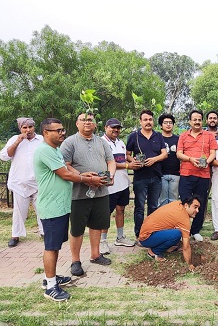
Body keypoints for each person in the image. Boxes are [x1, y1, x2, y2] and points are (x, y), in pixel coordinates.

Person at [34, 118, 106, 301]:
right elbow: (65, 173)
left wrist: (82, 174)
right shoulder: (45, 150)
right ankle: (50, 286)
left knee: (56, 245)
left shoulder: (55, 150)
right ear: (45, 132)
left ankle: (50, 277)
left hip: (60, 206)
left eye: (62, 130)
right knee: (51, 247)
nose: (61, 133)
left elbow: (68, 170)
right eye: (57, 130)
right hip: (51, 207)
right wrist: (88, 179)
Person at [60, 112, 116, 277]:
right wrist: (84, 178)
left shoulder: (101, 142)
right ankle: (75, 261)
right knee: (77, 228)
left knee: (97, 225)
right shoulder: (70, 142)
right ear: (77, 123)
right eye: (83, 119)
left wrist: (110, 175)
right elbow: (65, 165)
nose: (87, 122)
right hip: (79, 193)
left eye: (90, 120)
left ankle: (95, 254)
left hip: (101, 191)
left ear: (95, 124)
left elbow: (110, 161)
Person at [0, 117, 44, 247]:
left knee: (42, 209)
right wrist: (18, 142)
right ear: (20, 129)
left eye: (30, 127)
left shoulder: (41, 140)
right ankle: (15, 235)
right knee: (19, 211)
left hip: (38, 182)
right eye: (25, 128)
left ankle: (44, 232)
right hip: (20, 182)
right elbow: (4, 157)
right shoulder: (14, 139)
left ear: (34, 127)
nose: (28, 130)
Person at [177, 110, 218, 242]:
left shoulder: (209, 136)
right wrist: (190, 159)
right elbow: (179, 154)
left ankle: (195, 230)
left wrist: (207, 161)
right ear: (190, 121)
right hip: (186, 174)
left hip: (203, 175)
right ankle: (184, 230)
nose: (197, 122)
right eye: (194, 119)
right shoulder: (183, 136)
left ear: (202, 121)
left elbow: (213, 154)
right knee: (185, 202)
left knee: (200, 203)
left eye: (199, 119)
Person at [126, 110, 167, 239]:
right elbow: (127, 154)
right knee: (139, 207)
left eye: (150, 119)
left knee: (153, 206)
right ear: (140, 121)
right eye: (145, 120)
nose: (148, 122)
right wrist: (133, 161)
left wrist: (154, 159)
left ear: (153, 121)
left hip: (156, 177)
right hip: (140, 178)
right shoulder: (134, 136)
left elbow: (164, 154)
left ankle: (152, 232)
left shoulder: (158, 136)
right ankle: (139, 233)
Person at [99, 118, 136, 255]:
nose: (115, 130)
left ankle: (120, 237)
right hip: (109, 185)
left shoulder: (121, 143)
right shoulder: (101, 143)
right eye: (112, 127)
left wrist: (134, 162)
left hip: (123, 183)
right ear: (105, 127)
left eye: (118, 128)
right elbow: (108, 162)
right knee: (105, 213)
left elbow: (124, 158)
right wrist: (128, 165)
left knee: (121, 209)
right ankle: (102, 241)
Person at [138, 195, 201, 271]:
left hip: (146, 233)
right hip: (146, 238)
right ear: (186, 205)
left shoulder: (178, 203)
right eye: (195, 207)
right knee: (177, 234)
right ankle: (153, 252)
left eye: (198, 208)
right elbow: (186, 247)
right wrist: (189, 264)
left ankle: (167, 247)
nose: (197, 211)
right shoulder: (183, 219)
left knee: (177, 234)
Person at [158, 113, 180, 206]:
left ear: (173, 125)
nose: (168, 124)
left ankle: (172, 220)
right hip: (160, 174)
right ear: (161, 125)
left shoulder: (179, 139)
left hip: (175, 174)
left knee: (174, 201)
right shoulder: (157, 138)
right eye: (165, 122)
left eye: (170, 122)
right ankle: (162, 220)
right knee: (161, 201)